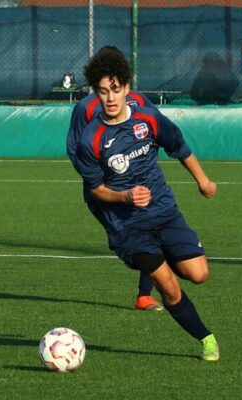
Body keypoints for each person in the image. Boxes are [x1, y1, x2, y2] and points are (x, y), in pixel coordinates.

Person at [74, 46, 220, 361]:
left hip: (164, 211)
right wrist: (124, 196)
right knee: (167, 286)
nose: (110, 98)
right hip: (126, 225)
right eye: (103, 92)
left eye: (115, 89)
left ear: (127, 87)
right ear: (95, 94)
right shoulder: (91, 139)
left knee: (198, 274)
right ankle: (206, 339)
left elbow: (179, 148)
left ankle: (170, 255)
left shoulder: (149, 119)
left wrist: (203, 181)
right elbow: (95, 190)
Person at [66, 57, 163, 312]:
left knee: (154, 235)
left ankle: (145, 295)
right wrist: (99, 179)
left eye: (117, 83)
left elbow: (155, 130)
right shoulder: (85, 109)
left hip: (138, 186)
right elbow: (75, 150)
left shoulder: (139, 101)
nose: (111, 94)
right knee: (132, 240)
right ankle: (136, 263)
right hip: (104, 191)